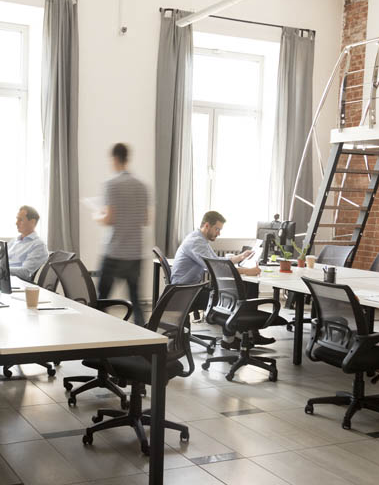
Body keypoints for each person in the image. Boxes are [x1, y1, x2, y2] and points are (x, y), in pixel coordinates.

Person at [170, 211, 272, 349]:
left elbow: (217, 261)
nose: (219, 233)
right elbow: (217, 268)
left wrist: (240, 257)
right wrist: (248, 271)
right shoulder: (196, 242)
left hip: (188, 289)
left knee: (233, 295)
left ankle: (243, 335)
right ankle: (233, 338)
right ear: (207, 225)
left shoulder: (198, 239)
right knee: (231, 299)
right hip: (185, 292)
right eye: (217, 229)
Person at [95, 143, 149, 325]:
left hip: (115, 252)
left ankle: (97, 338)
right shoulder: (142, 186)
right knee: (136, 299)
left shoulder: (111, 184)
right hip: (135, 252)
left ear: (115, 159)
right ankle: (144, 338)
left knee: (101, 299)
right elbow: (145, 219)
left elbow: (109, 219)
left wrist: (97, 215)